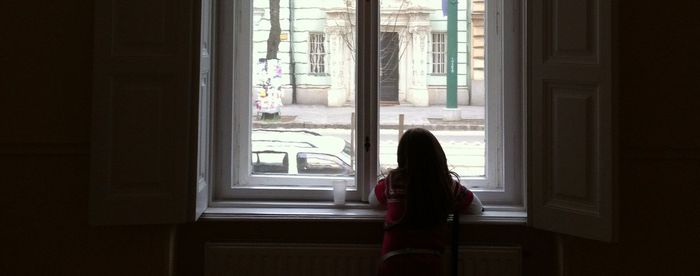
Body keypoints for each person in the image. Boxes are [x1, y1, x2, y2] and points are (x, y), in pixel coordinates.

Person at [369, 128, 483, 276]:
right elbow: (476, 207)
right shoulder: (445, 185)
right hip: (429, 262)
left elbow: (373, 200)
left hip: (393, 261)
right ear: (437, 156)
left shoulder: (393, 182)